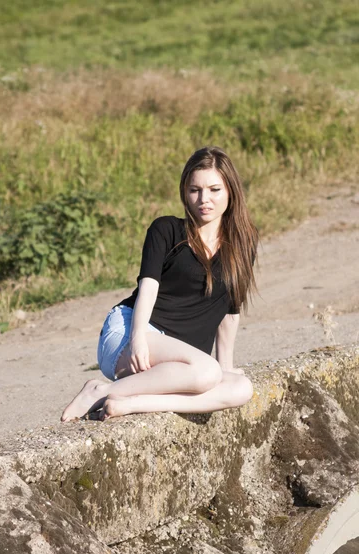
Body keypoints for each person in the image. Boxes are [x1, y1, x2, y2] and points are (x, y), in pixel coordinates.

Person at [61, 146, 258, 423]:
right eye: (195, 190)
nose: (204, 199)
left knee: (240, 388)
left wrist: (226, 366)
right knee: (208, 373)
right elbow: (148, 287)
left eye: (214, 190)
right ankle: (100, 391)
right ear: (185, 192)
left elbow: (229, 311)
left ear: (230, 192)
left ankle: (131, 403)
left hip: (183, 364)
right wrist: (138, 338)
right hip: (133, 332)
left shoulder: (243, 243)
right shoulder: (166, 230)